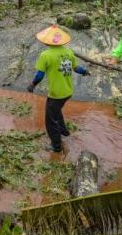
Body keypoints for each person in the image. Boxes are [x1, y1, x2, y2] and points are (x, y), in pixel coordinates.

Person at [27, 25, 90, 153]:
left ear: (47, 41)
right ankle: (64, 131)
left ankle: (56, 146)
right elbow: (76, 68)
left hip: (56, 93)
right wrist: (85, 71)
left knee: (50, 120)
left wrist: (32, 84)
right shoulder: (68, 52)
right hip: (67, 91)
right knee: (56, 110)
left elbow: (39, 75)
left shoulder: (45, 55)